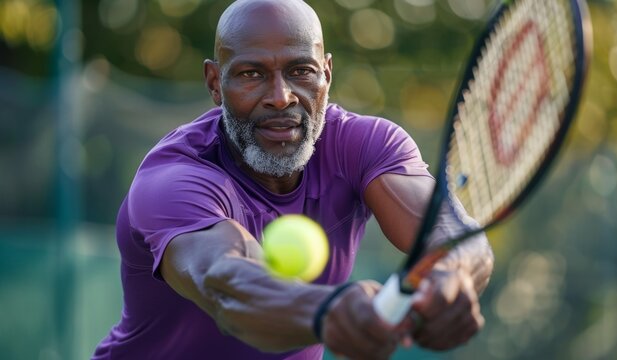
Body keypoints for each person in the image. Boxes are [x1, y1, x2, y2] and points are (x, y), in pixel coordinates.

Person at [92, 0, 494, 359]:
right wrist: (328, 311)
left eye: (301, 71)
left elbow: (450, 231)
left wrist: (452, 273)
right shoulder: (174, 179)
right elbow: (228, 285)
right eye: (251, 74)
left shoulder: (366, 145)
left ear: (327, 75)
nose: (281, 97)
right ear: (216, 84)